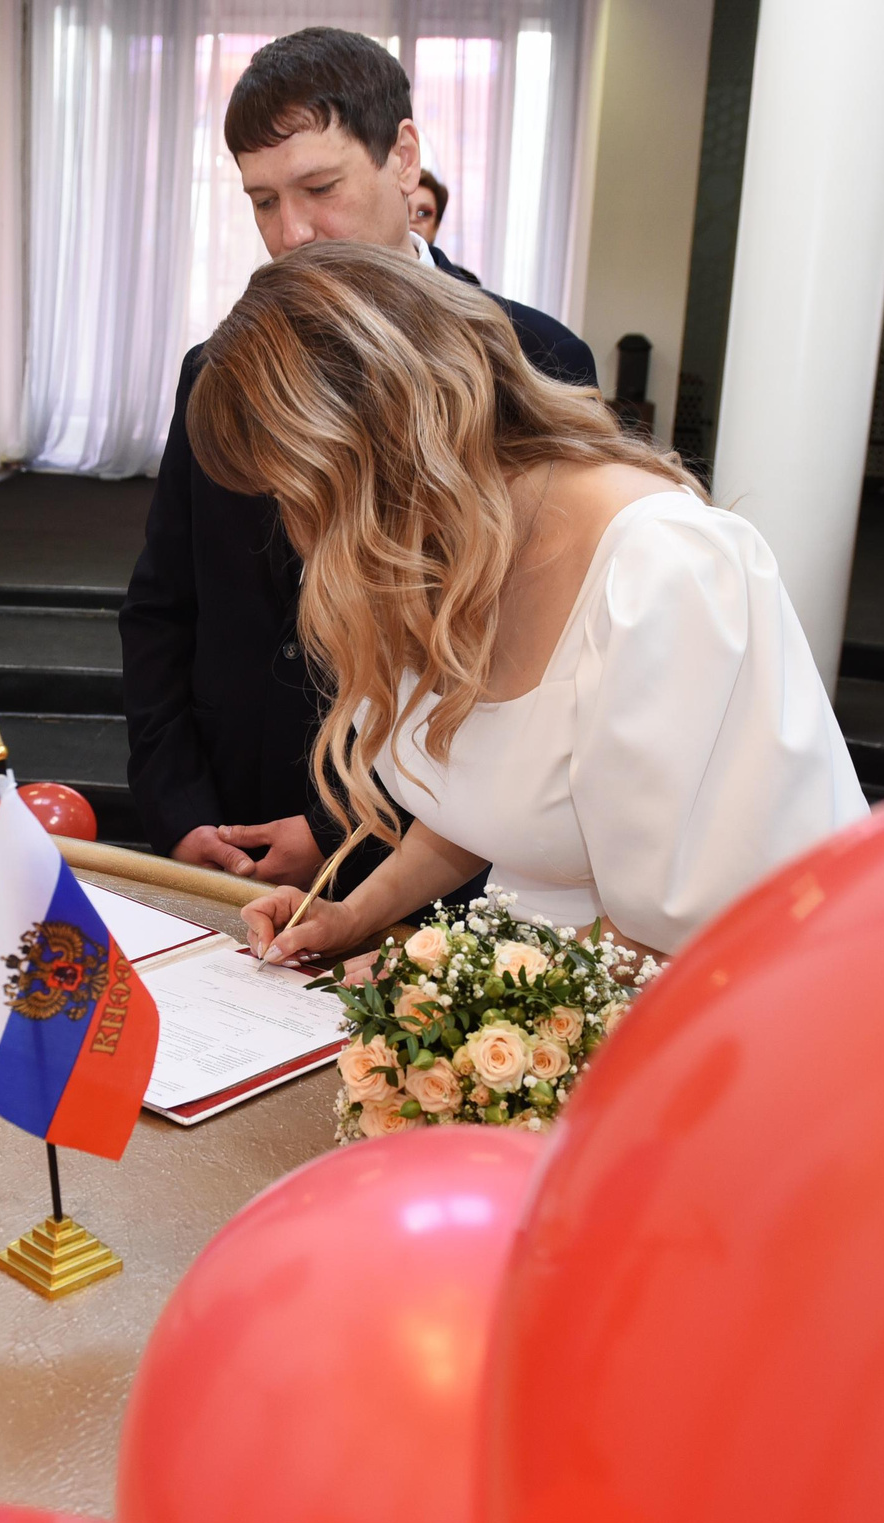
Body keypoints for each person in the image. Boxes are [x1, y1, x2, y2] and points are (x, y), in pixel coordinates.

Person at [186, 242, 864, 966]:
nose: (297, 528)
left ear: (378, 453)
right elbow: (491, 809)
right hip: (534, 981)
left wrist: (438, 977)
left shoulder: (663, 572)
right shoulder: (437, 550)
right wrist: (353, 916)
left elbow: (696, 930)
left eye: (297, 492)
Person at [120, 27, 594, 892]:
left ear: (403, 158)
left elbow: (527, 658)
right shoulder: (217, 369)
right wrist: (177, 806)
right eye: (263, 201)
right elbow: (163, 607)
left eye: (319, 188)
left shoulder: (533, 360)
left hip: (427, 844)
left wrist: (345, 819)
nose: (292, 233)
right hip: (228, 821)